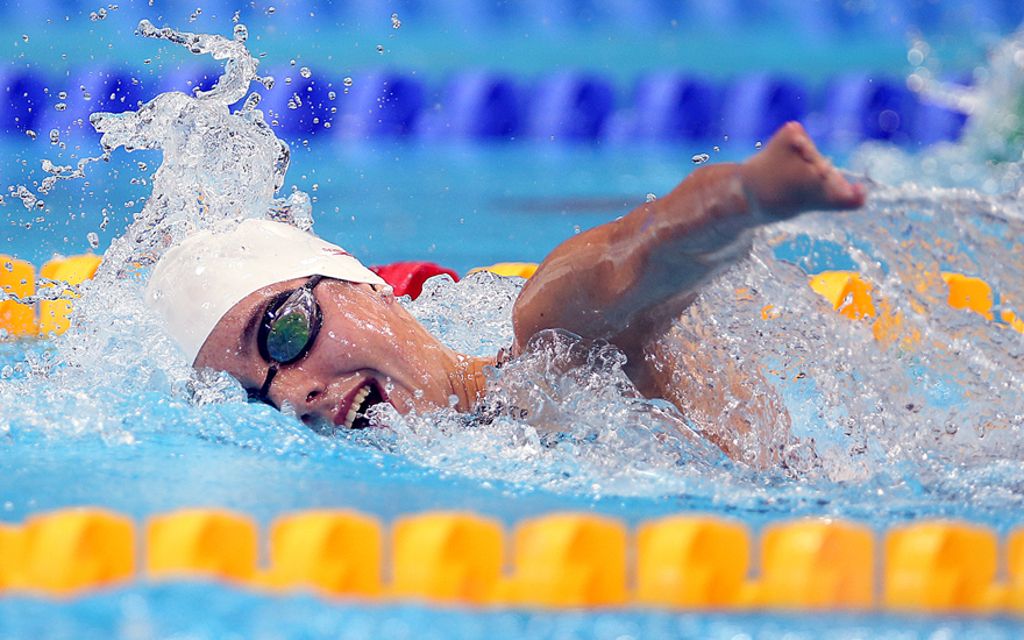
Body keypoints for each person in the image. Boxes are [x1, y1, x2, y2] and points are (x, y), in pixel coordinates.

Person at [147, 122, 866, 461]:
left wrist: (749, 194)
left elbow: (625, 263)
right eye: (251, 394)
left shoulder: (550, 356)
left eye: (284, 332)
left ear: (365, 283)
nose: (291, 394)